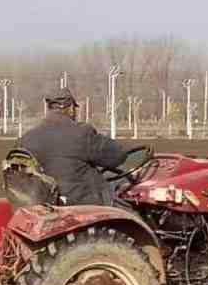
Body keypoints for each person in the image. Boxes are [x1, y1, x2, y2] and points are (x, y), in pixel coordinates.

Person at [14, 87, 146, 207]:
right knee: (132, 208)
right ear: (70, 108)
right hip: (84, 203)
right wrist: (124, 147)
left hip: (46, 203)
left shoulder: (26, 139)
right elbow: (116, 156)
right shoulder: (82, 133)